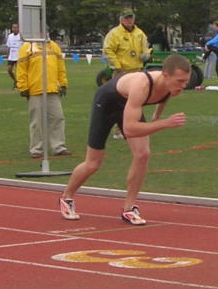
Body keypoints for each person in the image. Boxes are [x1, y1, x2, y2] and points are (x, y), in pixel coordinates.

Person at [59, 54, 191, 225]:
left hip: (129, 106)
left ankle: (129, 208)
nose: (183, 86)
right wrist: (164, 123)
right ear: (165, 76)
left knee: (142, 154)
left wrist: (156, 117)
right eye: (180, 81)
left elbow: (162, 99)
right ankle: (66, 197)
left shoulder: (171, 86)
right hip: (107, 104)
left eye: (186, 81)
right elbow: (130, 129)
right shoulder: (142, 85)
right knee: (93, 163)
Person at [16, 37, 70, 159]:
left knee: (58, 118)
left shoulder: (54, 46)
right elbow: (21, 69)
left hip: (52, 89)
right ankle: (36, 149)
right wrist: (23, 87)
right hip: (35, 89)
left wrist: (63, 84)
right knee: (37, 121)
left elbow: (61, 67)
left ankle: (59, 147)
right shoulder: (27, 47)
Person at [103, 8, 151, 139]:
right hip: (121, 73)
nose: (129, 20)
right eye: (127, 17)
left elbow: (146, 48)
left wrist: (145, 55)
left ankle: (135, 128)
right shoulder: (114, 33)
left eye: (131, 17)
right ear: (121, 19)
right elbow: (108, 50)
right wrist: (118, 67)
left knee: (137, 102)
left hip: (137, 72)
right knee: (119, 103)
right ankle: (118, 130)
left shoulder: (140, 33)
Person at [6, 23, 23, 88]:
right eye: (13, 27)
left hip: (19, 56)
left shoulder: (21, 36)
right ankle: (15, 80)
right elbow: (9, 47)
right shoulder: (10, 36)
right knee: (9, 70)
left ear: (18, 28)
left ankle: (19, 84)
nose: (14, 29)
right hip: (11, 56)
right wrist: (8, 56)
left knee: (18, 71)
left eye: (16, 27)